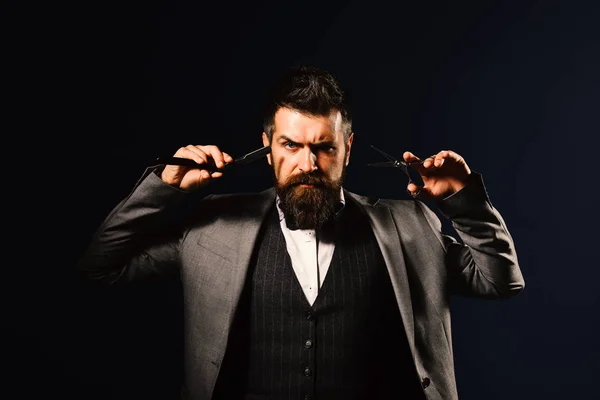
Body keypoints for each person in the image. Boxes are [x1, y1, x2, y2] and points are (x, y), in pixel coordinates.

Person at [77, 65, 524, 400]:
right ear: (268, 146)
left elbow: (499, 280)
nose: (307, 164)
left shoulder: (408, 225)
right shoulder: (214, 226)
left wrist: (463, 201)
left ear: (346, 149)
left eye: (323, 147)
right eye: (291, 145)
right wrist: (165, 187)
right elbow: (102, 267)